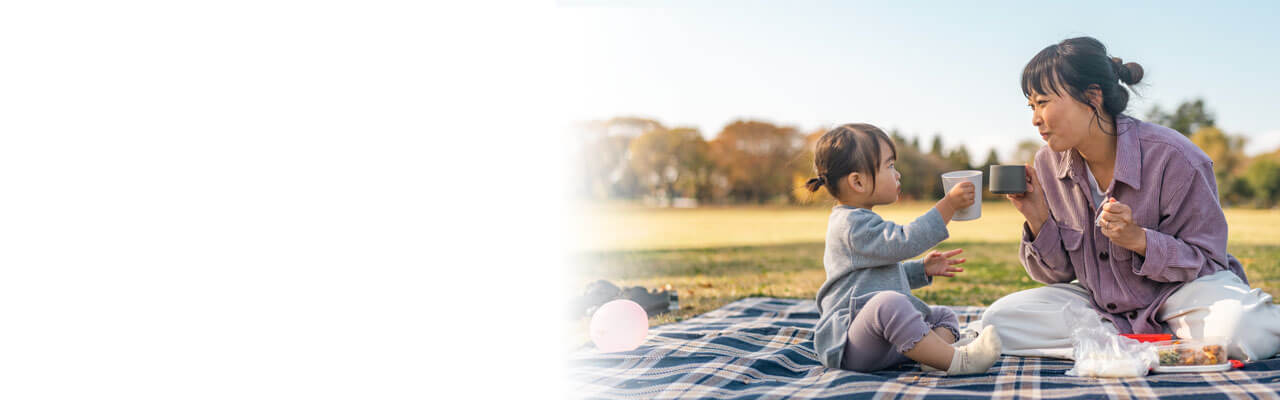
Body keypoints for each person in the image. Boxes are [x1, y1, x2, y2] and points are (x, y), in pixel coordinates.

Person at [981, 36, 1280, 361]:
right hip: (1102, 304)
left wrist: (1140, 241)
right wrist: (1037, 218)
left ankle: (1115, 346)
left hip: (1182, 296)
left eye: (1043, 102)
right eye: (1031, 106)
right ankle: (1164, 348)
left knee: (1243, 328)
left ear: (1092, 96)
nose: (1035, 118)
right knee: (999, 322)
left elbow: (1208, 261)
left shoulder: (1175, 157)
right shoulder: (1047, 164)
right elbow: (1059, 276)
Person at [806, 123, 1002, 374]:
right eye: (889, 165)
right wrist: (948, 205)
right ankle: (960, 362)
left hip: (883, 343)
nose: (897, 174)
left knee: (942, 316)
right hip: (852, 344)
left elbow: (873, 277)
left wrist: (922, 269)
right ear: (858, 182)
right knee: (890, 303)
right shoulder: (851, 225)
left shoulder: (861, 220)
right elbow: (904, 241)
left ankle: (934, 357)